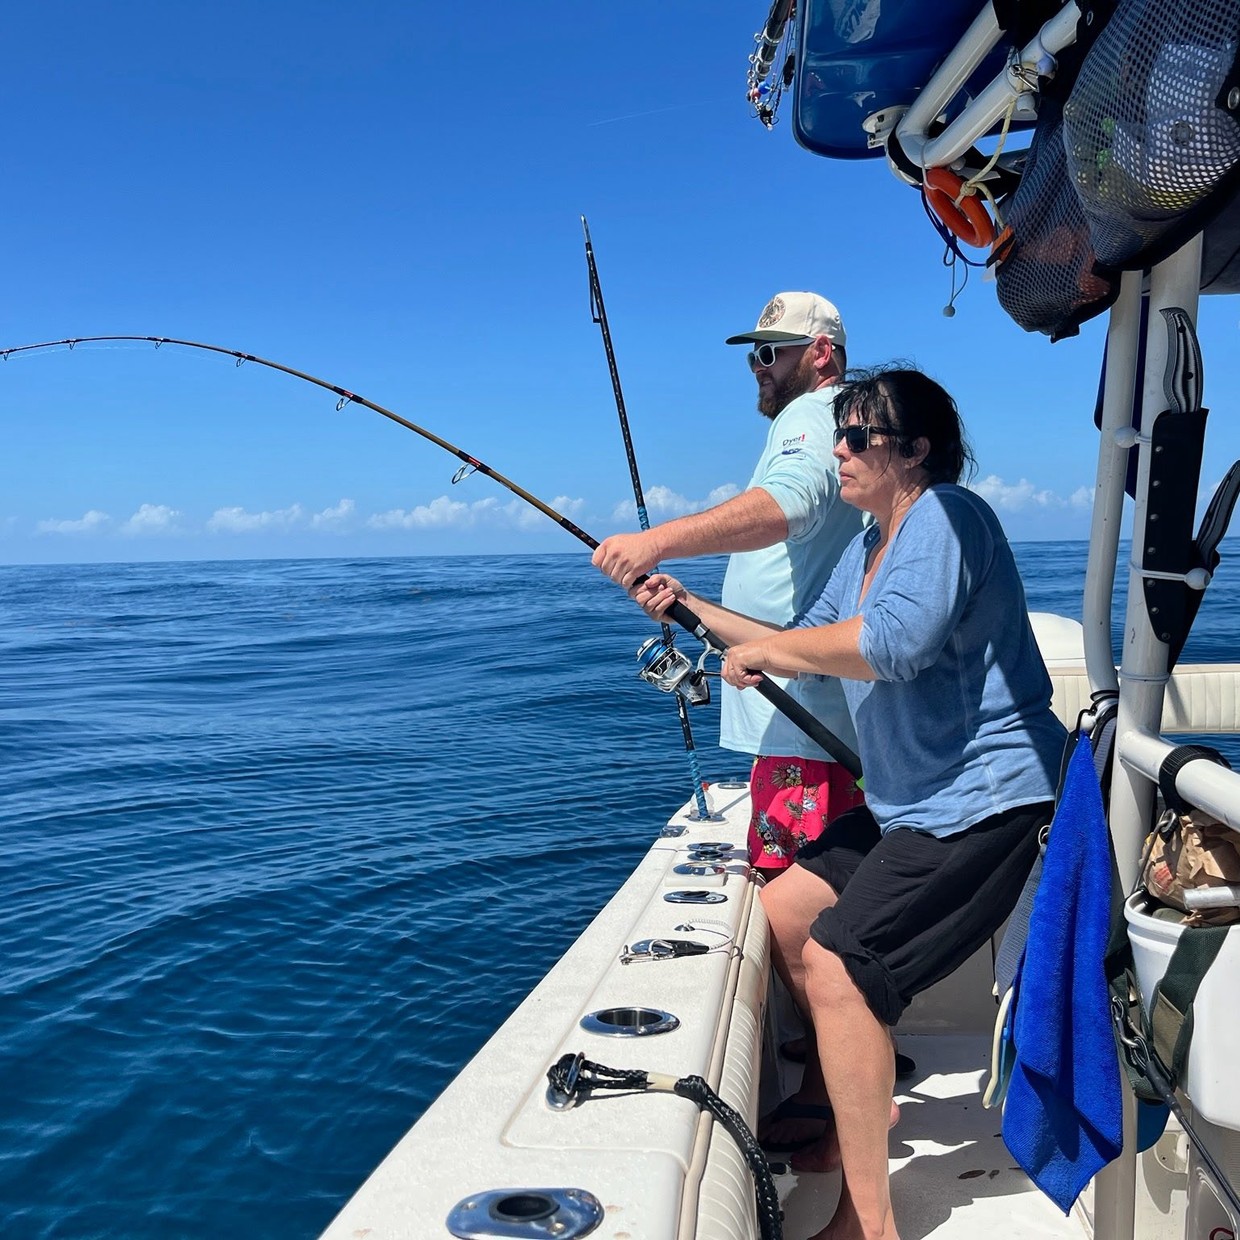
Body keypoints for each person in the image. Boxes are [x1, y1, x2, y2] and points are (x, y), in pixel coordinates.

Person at [633, 366, 1067, 1240]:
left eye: (857, 436)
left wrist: (777, 657)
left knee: (836, 965)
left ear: (915, 451)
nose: (838, 450)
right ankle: (859, 1098)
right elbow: (794, 639)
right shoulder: (870, 543)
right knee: (786, 911)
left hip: (983, 801)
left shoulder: (947, 516)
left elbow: (892, 645)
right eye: (840, 434)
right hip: (910, 804)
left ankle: (870, 1227)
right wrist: (688, 606)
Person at [592, 292, 866, 876]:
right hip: (816, 718)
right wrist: (688, 603)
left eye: (770, 353)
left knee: (795, 895)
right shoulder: (846, 420)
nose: (758, 367)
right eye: (752, 357)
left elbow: (788, 505)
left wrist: (654, 542)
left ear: (821, 353)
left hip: (805, 727)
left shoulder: (812, 414)